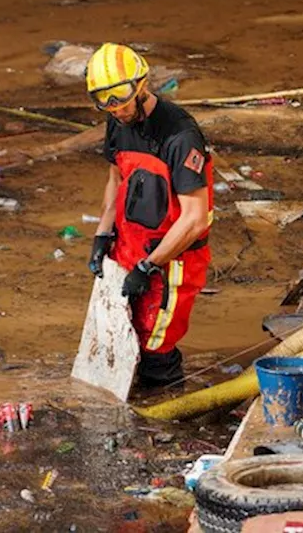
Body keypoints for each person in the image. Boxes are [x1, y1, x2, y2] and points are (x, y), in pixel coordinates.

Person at [85, 43, 214, 390]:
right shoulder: (116, 124)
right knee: (127, 337)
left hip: (173, 259)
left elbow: (195, 219)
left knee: (157, 343)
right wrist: (102, 236)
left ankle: (168, 414)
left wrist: (150, 266)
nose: (114, 107)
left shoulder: (180, 136)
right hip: (130, 243)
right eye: (103, 99)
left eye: (120, 96)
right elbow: (116, 181)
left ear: (141, 85)